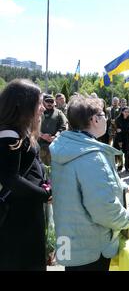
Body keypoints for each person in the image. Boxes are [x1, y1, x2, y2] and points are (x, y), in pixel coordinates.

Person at [49, 95, 129, 271]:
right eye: (103, 114)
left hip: (69, 240)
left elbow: (76, 185)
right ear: (94, 119)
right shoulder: (92, 155)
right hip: (91, 247)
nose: (106, 119)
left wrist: (123, 188)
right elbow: (104, 210)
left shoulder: (65, 145)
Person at [0, 79, 52, 271]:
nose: (43, 108)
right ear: (23, 105)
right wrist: (44, 194)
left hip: (28, 209)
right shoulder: (8, 134)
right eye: (39, 103)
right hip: (16, 216)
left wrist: (46, 184)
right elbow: (9, 178)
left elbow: (35, 164)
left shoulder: (21, 131)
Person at [38, 94, 68, 166]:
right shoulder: (38, 112)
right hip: (39, 145)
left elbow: (64, 126)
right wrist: (41, 135)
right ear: (43, 102)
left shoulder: (59, 113)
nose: (49, 103)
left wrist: (56, 136)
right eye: (47, 101)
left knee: (53, 167)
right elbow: (30, 127)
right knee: (40, 166)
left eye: (51, 101)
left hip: (54, 146)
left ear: (54, 102)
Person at [115, 107, 129, 173]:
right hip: (119, 138)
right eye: (125, 111)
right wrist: (120, 141)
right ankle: (120, 166)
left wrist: (121, 130)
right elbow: (117, 130)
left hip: (128, 138)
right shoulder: (118, 119)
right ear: (122, 112)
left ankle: (127, 167)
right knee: (120, 153)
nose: (127, 113)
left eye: (128, 112)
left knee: (127, 153)